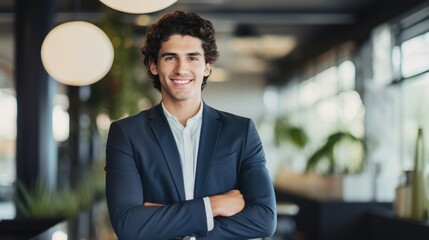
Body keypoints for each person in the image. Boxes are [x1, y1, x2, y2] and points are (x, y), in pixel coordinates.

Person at [105, 11, 276, 240]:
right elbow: (128, 225)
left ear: (207, 66)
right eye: (170, 57)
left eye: (192, 57)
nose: (181, 69)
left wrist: (168, 225)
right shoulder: (127, 134)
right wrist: (212, 206)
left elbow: (264, 219)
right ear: (153, 65)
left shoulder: (241, 132)